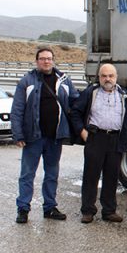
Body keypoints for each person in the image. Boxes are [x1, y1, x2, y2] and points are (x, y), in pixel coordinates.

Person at [11, 47, 79, 224]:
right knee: (27, 174)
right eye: (42, 59)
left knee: (52, 174)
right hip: (33, 137)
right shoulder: (27, 81)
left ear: (53, 60)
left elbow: (75, 102)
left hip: (55, 137)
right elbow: (17, 110)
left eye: (49, 58)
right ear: (36, 61)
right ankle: (23, 208)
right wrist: (18, 134)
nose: (46, 61)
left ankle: (50, 207)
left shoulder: (64, 80)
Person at [69, 64, 127, 223]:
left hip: (115, 139)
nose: (107, 79)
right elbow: (75, 112)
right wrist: (82, 132)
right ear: (99, 77)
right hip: (95, 138)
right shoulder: (90, 93)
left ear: (116, 77)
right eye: (104, 76)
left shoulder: (124, 95)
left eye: (111, 76)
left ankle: (109, 211)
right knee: (91, 176)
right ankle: (88, 211)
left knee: (112, 177)